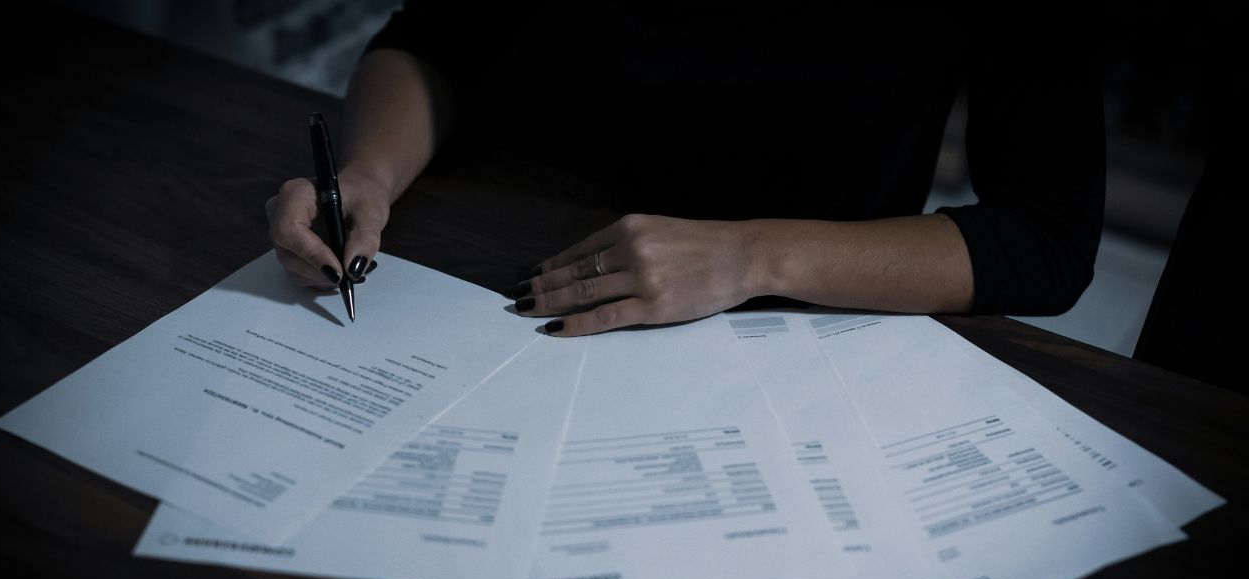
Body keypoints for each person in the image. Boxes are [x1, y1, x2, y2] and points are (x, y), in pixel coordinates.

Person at [267, 0, 1105, 337]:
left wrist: (752, 256)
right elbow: (440, 36)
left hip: (793, 317)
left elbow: (1048, 236)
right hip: (491, 264)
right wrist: (370, 174)